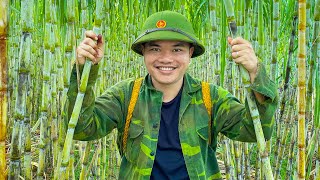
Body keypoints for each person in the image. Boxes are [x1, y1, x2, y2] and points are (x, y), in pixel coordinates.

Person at [67, 10, 278, 179]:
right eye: (155, 49)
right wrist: (84, 69)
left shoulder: (210, 97)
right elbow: (82, 129)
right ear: (144, 53)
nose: (166, 59)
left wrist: (255, 72)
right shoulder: (126, 95)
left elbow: (254, 131)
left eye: (177, 50)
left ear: (190, 53)